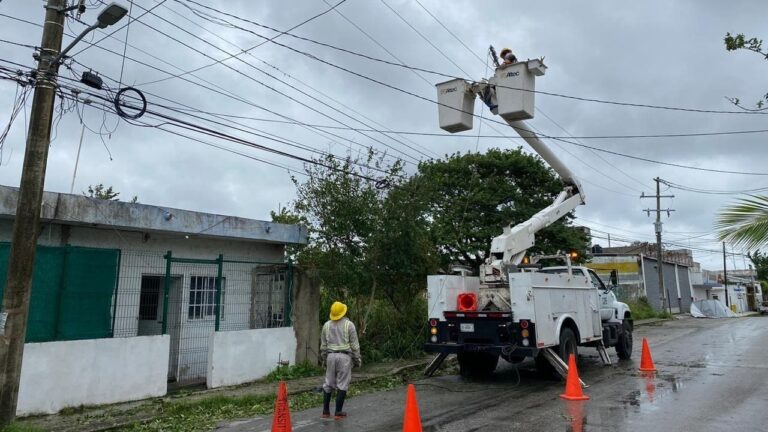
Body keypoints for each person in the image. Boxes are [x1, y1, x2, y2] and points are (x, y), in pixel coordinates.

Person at [320, 301, 361, 420]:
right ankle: (338, 412)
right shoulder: (349, 325)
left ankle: (325, 411)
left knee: (328, 383)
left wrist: (324, 358)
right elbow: (355, 345)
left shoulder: (326, 325)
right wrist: (357, 358)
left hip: (330, 357)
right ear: (343, 312)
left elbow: (323, 346)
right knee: (342, 384)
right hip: (344, 357)